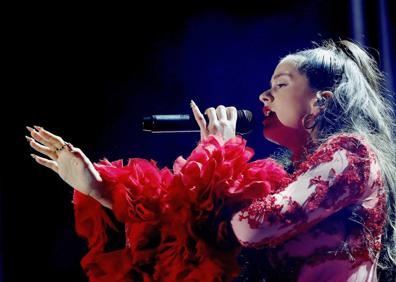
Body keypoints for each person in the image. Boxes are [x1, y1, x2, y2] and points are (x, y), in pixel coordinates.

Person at [26, 40, 395, 281]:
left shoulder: (351, 153)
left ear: (321, 101)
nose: (264, 96)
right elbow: (199, 233)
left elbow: (250, 227)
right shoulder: (295, 176)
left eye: (281, 84)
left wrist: (219, 153)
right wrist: (101, 188)